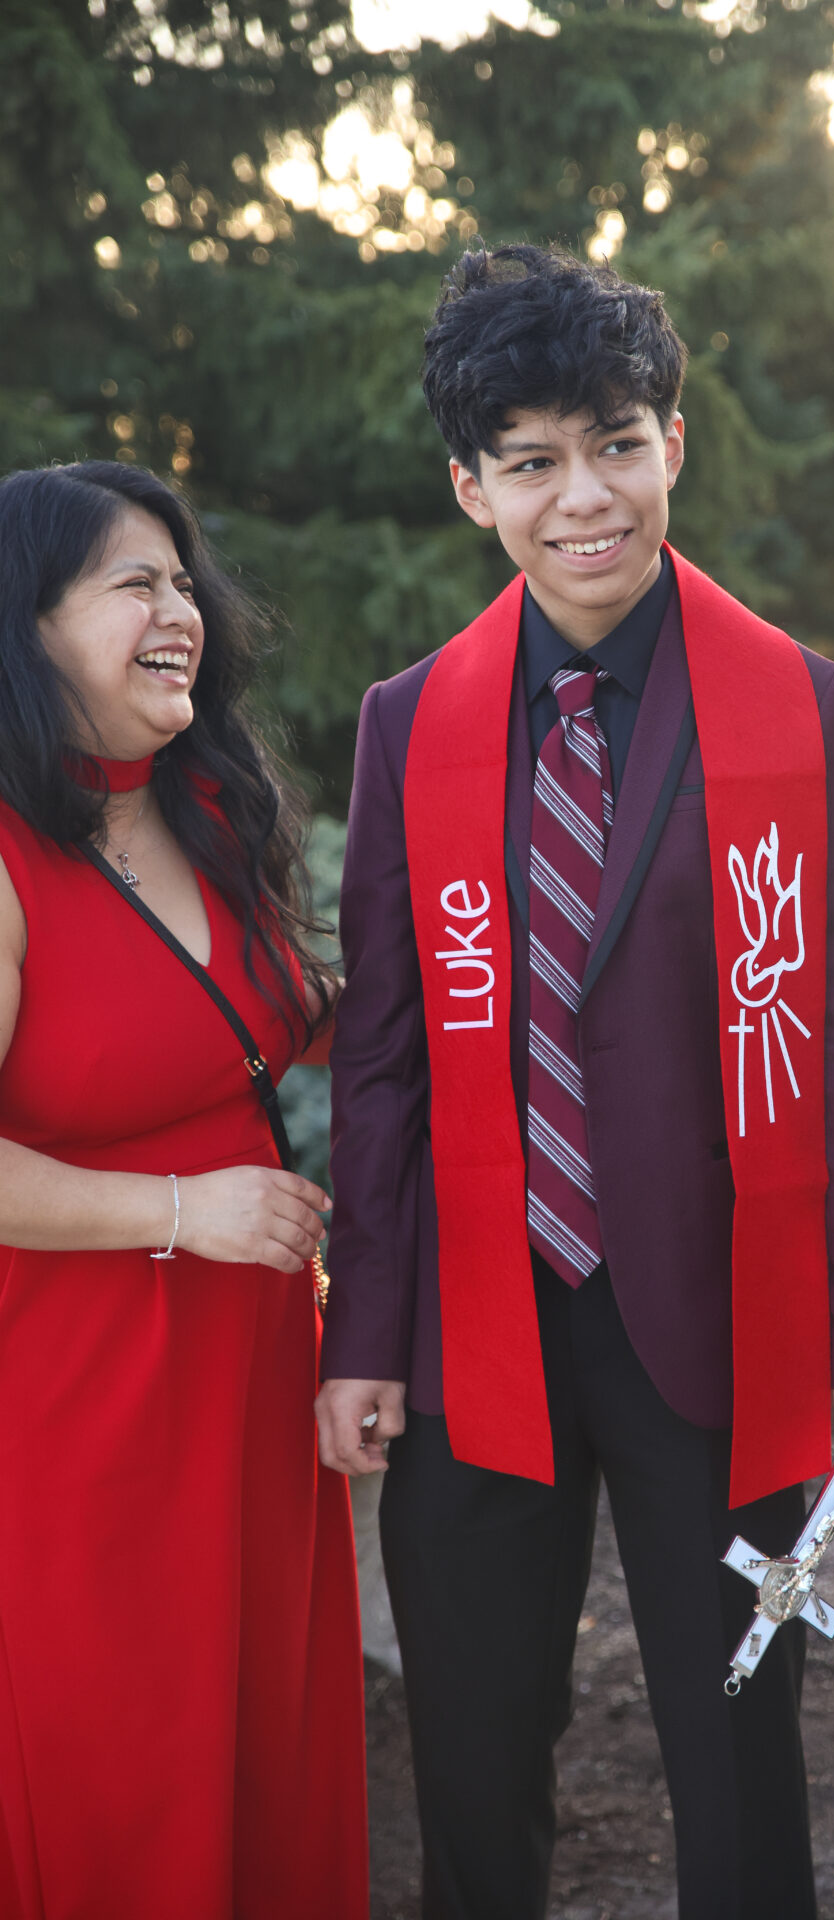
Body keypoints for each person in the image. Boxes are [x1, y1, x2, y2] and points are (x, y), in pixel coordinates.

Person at [317, 241, 834, 1920]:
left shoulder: (805, 712)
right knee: (470, 1749)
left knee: (737, 1744)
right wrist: (361, 1331)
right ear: (473, 490)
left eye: (614, 443)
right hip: (474, 1324)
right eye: (530, 462)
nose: (581, 497)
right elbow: (379, 1058)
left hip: (719, 1317)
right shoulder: (407, 726)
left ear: (674, 443)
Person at [0, 461, 368, 1919]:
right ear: (28, 627)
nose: (181, 611)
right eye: (130, 584)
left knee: (266, 1752)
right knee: (124, 1768)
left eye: (182, 581)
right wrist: (180, 1212)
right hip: (79, 1402)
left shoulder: (207, 802)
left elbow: (264, 1019)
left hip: (251, 1381)